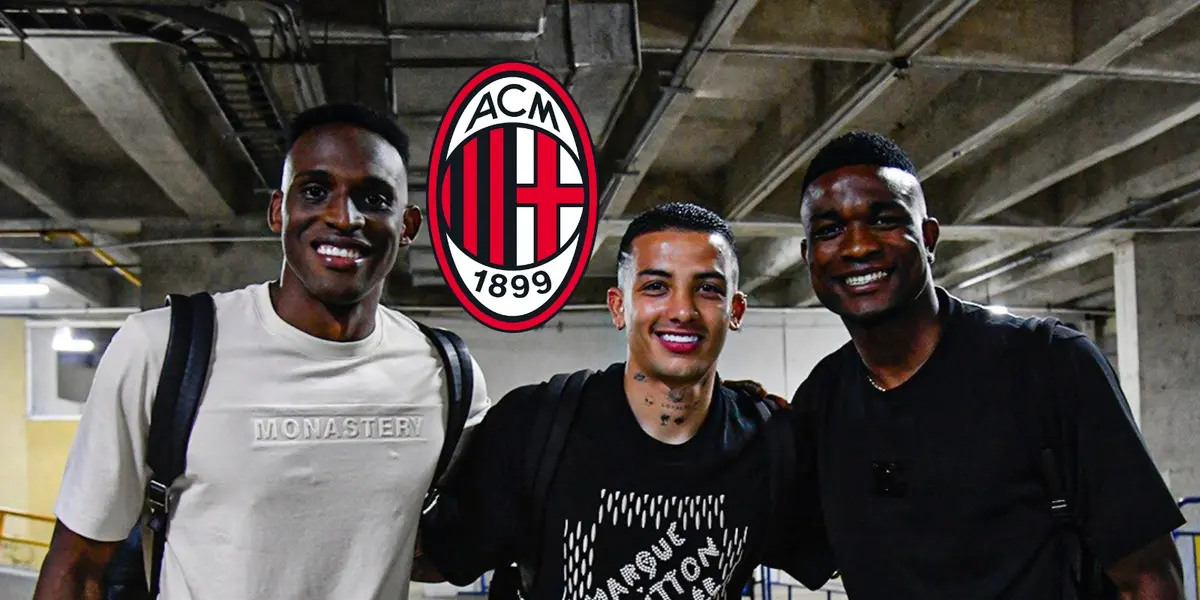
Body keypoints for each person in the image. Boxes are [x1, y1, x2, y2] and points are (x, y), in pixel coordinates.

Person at [32, 103, 491, 600]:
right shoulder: (162, 349)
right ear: (279, 211)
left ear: (407, 226)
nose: (343, 216)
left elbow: (443, 549)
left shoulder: (447, 375)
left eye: (374, 198)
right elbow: (78, 567)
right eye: (315, 191)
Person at [790, 130, 1187, 599]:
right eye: (830, 229)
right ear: (808, 257)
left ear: (928, 238)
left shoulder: (1049, 363)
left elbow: (1148, 578)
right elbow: (799, 544)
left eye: (884, 219)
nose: (857, 246)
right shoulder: (822, 401)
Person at [416, 202, 832, 600]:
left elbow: (854, 552)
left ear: (735, 310)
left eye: (707, 289)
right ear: (619, 307)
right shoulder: (533, 426)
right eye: (656, 286)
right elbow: (434, 557)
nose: (682, 310)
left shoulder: (773, 442)